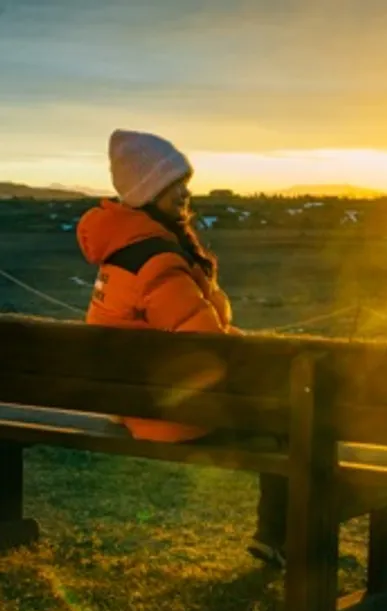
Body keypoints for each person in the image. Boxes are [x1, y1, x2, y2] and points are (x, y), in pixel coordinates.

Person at [76, 129, 287, 568]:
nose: (185, 193)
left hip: (129, 404)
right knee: (292, 425)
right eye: (173, 184)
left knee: (283, 416)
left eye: (184, 182)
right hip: (167, 417)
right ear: (147, 192)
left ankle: (277, 535)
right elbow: (208, 346)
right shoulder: (158, 263)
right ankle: (277, 536)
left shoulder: (120, 254)